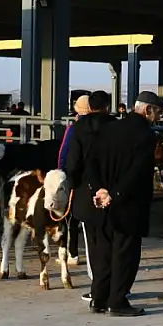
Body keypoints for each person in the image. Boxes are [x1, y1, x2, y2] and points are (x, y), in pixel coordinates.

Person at [85, 91, 163, 317]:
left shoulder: (108, 128)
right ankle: (117, 301)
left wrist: (98, 189)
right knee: (125, 255)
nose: (158, 117)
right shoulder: (146, 136)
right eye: (157, 112)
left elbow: (91, 163)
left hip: (101, 203)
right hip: (129, 205)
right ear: (147, 110)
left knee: (103, 252)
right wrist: (115, 193)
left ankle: (98, 298)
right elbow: (137, 172)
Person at [64, 91, 116, 301]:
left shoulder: (77, 129)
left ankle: (97, 289)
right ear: (107, 106)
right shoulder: (116, 127)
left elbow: (71, 162)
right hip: (112, 192)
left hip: (86, 194)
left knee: (93, 242)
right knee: (112, 241)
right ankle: (115, 286)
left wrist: (74, 184)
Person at [58, 95, 91, 168]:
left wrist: (61, 168)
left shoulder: (73, 127)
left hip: (76, 168)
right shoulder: (101, 125)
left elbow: (64, 151)